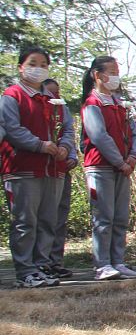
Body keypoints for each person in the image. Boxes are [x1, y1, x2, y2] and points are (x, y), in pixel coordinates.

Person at [1, 47, 73, 287]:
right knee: (25, 221)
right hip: (23, 168)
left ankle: (42, 265)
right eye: (33, 63)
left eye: (43, 64)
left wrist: (64, 147)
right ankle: (25, 270)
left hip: (53, 169)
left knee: (47, 220)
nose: (38, 69)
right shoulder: (12, 96)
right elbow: (12, 129)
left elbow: (67, 128)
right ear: (21, 67)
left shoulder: (53, 100)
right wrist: (40, 145)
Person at [80, 57, 136, 280]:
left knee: (120, 217)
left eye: (117, 71)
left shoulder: (120, 104)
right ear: (97, 75)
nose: (116, 76)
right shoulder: (92, 104)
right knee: (103, 217)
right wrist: (119, 161)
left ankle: (118, 260)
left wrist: (133, 156)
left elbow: (135, 133)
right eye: (112, 71)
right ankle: (102, 264)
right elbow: (99, 136)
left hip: (123, 168)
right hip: (101, 167)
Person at [41, 78, 77, 281]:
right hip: (40, 169)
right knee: (42, 218)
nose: (54, 96)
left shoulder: (62, 109)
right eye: (50, 92)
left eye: (57, 92)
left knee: (59, 218)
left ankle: (56, 261)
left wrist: (70, 155)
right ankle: (40, 262)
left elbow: (69, 134)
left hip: (61, 169)